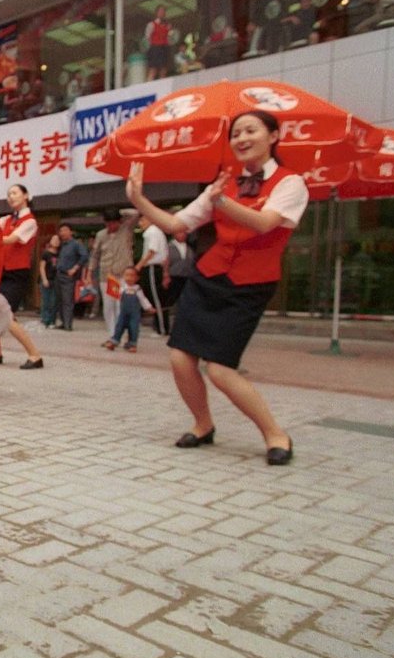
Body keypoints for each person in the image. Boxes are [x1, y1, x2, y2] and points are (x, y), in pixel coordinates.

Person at [125, 109, 305, 465]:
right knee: (180, 358)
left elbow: (265, 224)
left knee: (221, 369)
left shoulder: (290, 183)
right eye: (236, 133)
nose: (241, 138)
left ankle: (275, 434)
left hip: (250, 285)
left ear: (273, 136)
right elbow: (177, 223)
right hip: (208, 278)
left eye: (250, 130)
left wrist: (222, 201)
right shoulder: (224, 184)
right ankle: (203, 424)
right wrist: (139, 200)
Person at [0, 184, 44, 369]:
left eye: (15, 193)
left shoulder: (30, 222)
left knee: (6, 316)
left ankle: (35, 355)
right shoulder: (6, 220)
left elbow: (10, 239)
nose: (11, 197)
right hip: (1, 271)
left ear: (26, 196)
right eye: (8, 194)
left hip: (17, 274)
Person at [90, 206, 140, 343]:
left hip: (123, 275)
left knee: (121, 306)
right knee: (108, 306)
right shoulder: (101, 235)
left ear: (119, 221)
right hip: (107, 275)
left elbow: (136, 213)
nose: (111, 226)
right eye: (108, 223)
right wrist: (89, 272)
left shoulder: (126, 229)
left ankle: (121, 334)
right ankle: (112, 335)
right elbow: (95, 255)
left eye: (113, 222)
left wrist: (120, 212)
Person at [102, 266, 153, 352]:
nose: (129, 278)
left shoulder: (137, 289)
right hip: (123, 313)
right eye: (127, 275)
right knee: (119, 326)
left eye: (132, 276)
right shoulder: (122, 288)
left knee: (134, 328)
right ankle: (114, 341)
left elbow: (143, 299)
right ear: (123, 277)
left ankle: (132, 344)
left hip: (134, 314)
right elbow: (116, 297)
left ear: (137, 278)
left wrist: (149, 307)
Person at [136, 215, 169, 335]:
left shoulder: (152, 232)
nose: (140, 223)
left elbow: (151, 251)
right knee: (153, 297)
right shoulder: (155, 232)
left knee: (156, 298)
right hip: (155, 267)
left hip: (152, 267)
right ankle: (159, 326)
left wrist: (139, 265)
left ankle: (162, 328)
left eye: (142, 220)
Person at [55, 223, 87, 330]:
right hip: (58, 274)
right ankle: (63, 322)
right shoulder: (61, 245)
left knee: (67, 300)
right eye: (61, 231)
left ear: (70, 231)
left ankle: (68, 324)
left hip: (68, 275)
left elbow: (84, 256)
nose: (62, 233)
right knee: (59, 299)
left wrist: (75, 268)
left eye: (65, 230)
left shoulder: (76, 244)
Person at [163, 227, 196, 316]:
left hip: (186, 276)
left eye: (184, 233)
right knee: (170, 298)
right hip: (174, 275)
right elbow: (166, 261)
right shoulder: (168, 246)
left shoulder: (189, 248)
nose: (182, 235)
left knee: (186, 299)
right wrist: (166, 275)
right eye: (180, 233)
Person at [144, 5, 172, 80]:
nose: (162, 13)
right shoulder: (152, 24)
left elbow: (170, 38)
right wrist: (153, 47)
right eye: (160, 11)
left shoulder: (168, 25)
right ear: (157, 13)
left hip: (165, 48)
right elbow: (147, 37)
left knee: (163, 69)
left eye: (163, 11)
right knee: (153, 69)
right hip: (155, 48)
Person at [39, 233, 60, 328]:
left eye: (57, 240)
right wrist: (44, 279)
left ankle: (52, 321)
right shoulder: (46, 253)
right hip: (47, 279)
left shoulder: (60, 253)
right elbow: (42, 267)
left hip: (56, 280)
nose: (56, 241)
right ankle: (45, 320)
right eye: (54, 239)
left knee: (54, 301)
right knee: (46, 301)